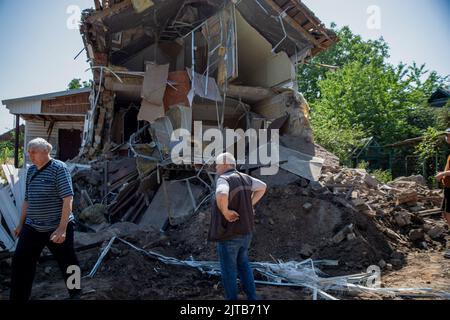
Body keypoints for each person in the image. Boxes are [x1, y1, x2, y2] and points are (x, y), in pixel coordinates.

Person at [10, 138, 81, 300]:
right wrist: (20, 224)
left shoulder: (59, 169)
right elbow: (27, 200)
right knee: (20, 262)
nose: (30, 155)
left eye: (33, 151)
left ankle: (76, 292)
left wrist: (62, 228)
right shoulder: (31, 171)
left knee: (68, 261)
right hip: (33, 226)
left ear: (45, 152)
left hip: (57, 226)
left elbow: (67, 199)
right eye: (28, 152)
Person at [208, 152, 267, 300]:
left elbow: (221, 194)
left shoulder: (224, 178)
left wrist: (226, 211)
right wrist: (250, 204)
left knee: (229, 271)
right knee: (243, 264)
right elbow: (262, 186)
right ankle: (252, 298)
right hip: (246, 232)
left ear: (225, 164)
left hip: (230, 234)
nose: (216, 168)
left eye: (217, 165)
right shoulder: (245, 178)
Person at [435, 128, 450, 259]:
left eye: (449, 135)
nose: (447, 137)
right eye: (447, 135)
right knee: (446, 214)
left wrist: (443, 174)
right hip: (448, 188)